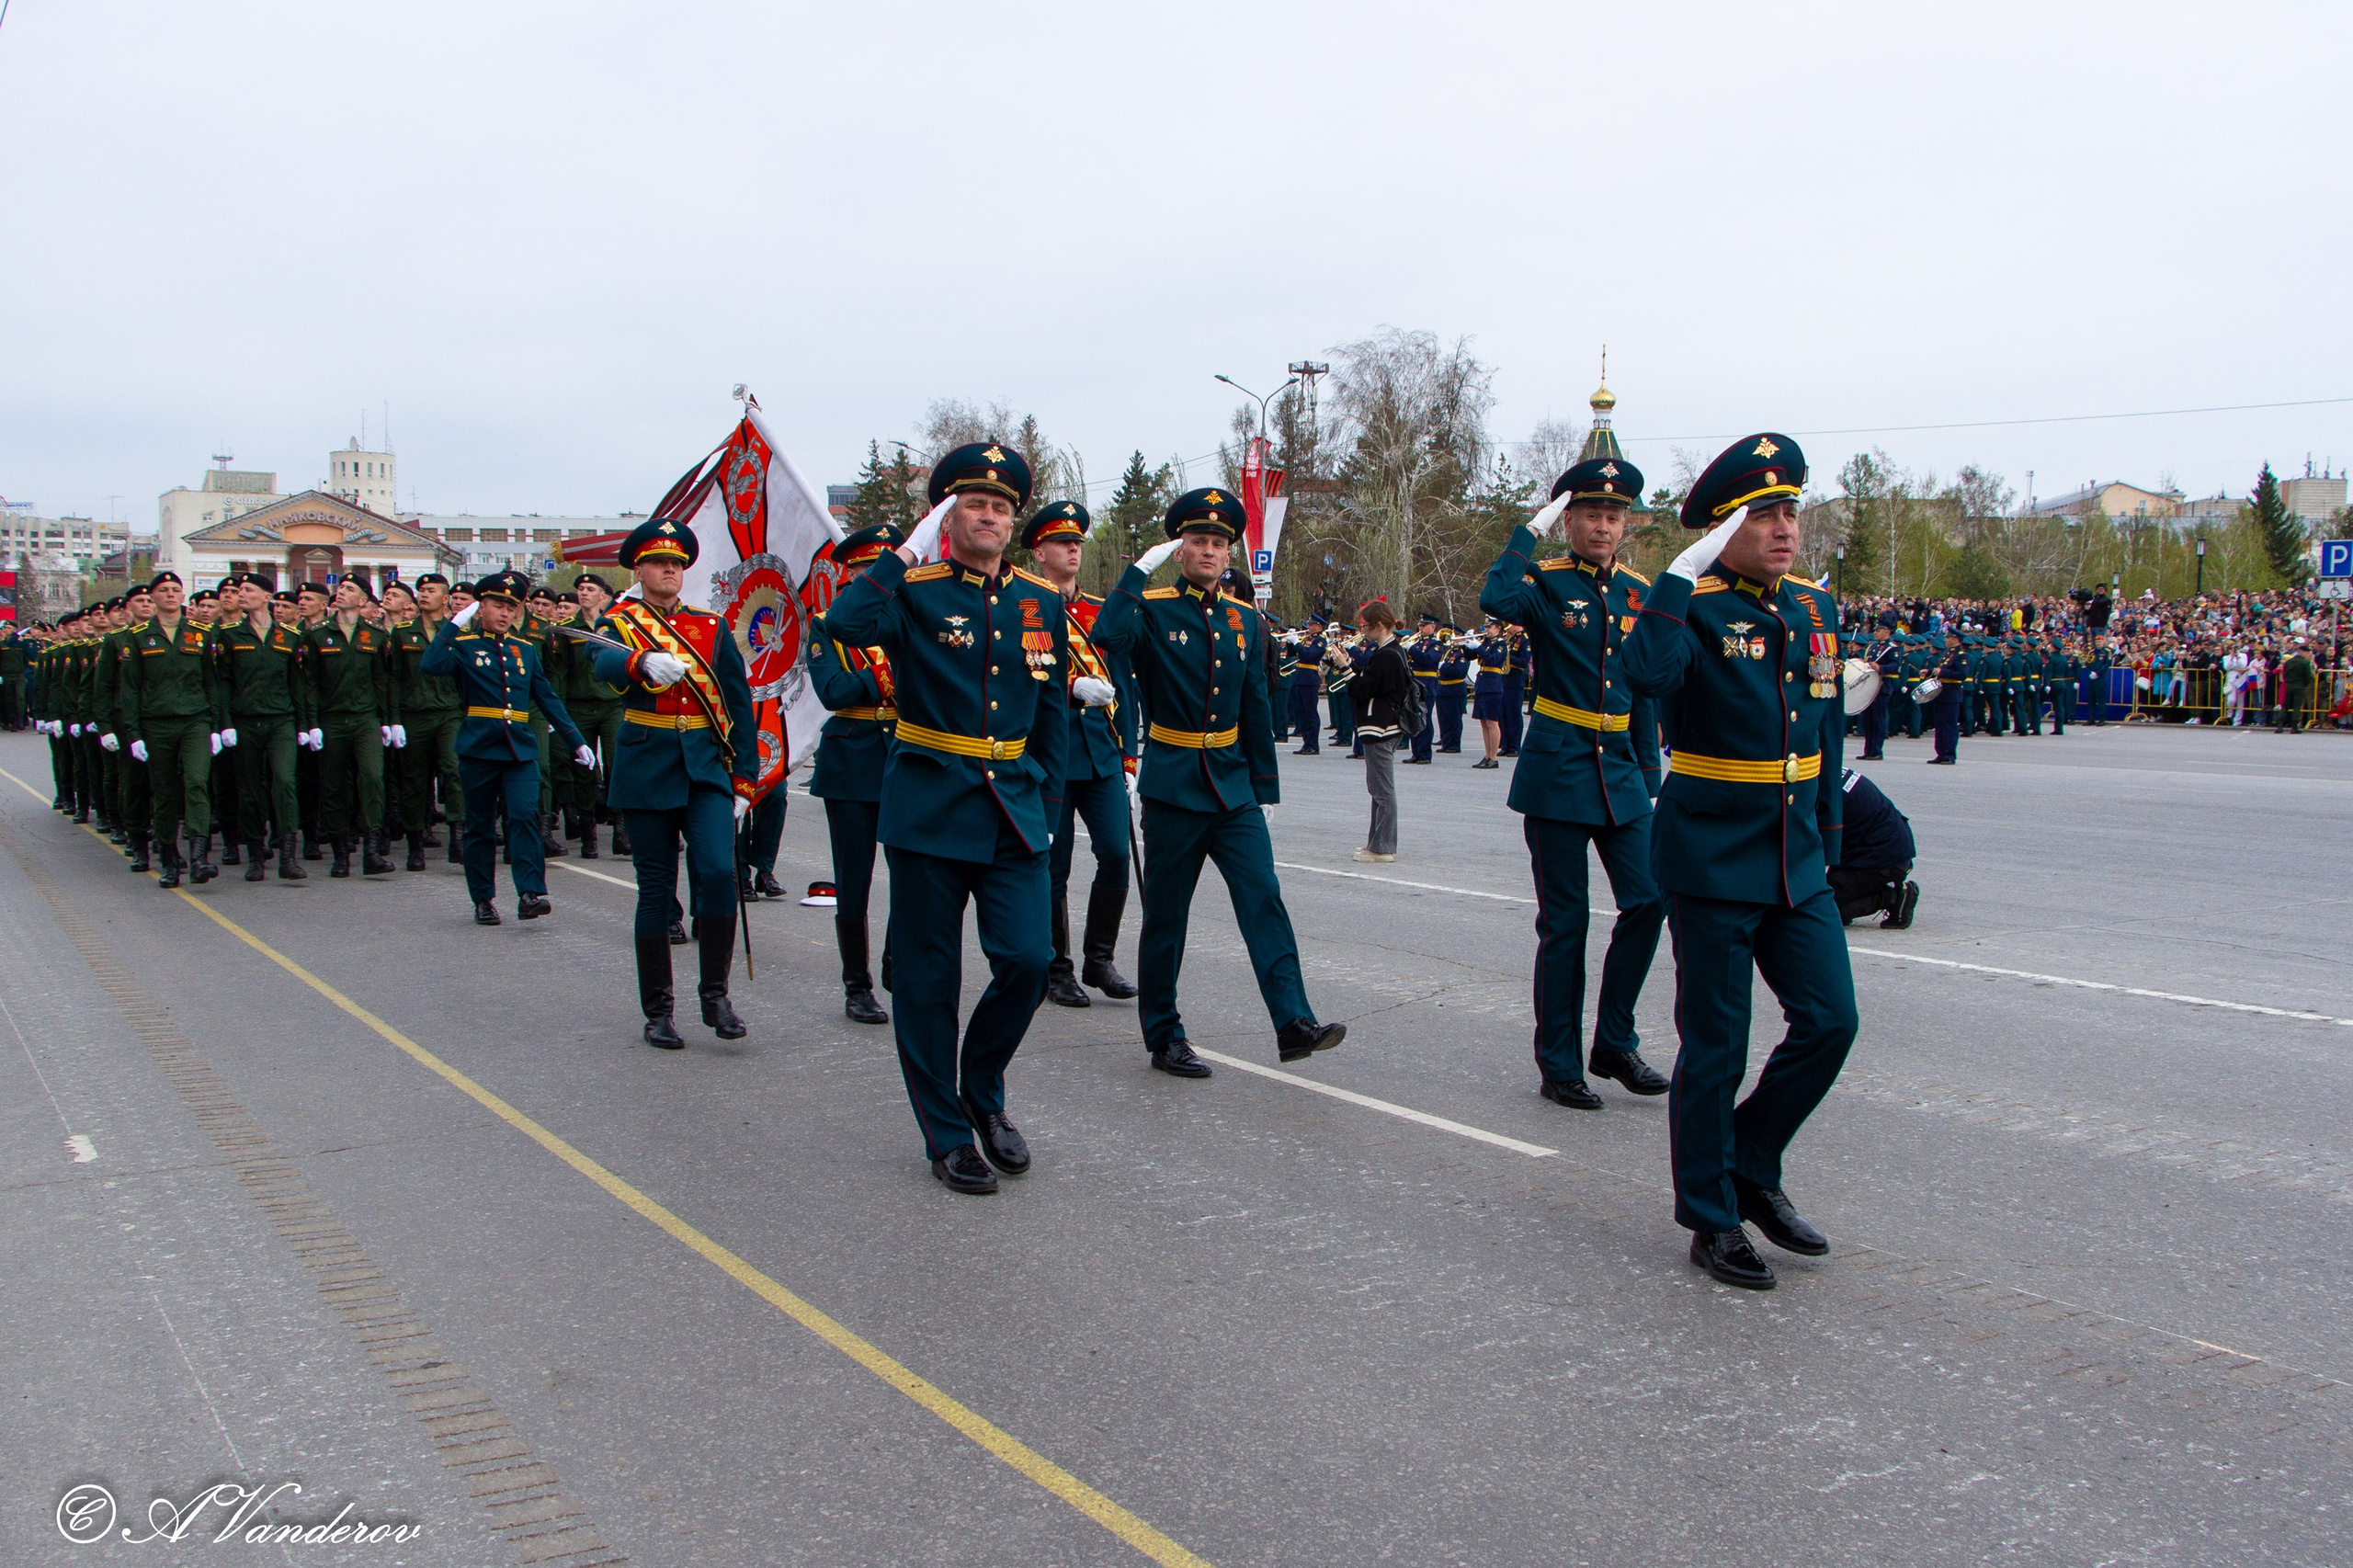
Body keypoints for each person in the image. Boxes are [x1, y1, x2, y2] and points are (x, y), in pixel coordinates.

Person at [1622, 432, 1858, 1292]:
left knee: (1832, 1021)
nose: (1785, 527)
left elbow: (1827, 735)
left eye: (1791, 510)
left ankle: (1751, 1162)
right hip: (1712, 856)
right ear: (1724, 530)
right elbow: (1645, 679)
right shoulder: (1694, 606)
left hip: (1796, 858)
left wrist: (1828, 844)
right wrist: (1678, 579)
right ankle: (1712, 1217)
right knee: (1716, 1047)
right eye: (1764, 514)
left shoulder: (1813, 610)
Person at [818, 443, 1071, 1192]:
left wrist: (1051, 807)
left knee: (1027, 961)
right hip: (930, 804)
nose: (988, 515)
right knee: (929, 983)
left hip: (1014, 808)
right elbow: (843, 619)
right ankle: (946, 1132)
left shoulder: (1040, 599)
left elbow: (1050, 709)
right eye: (972, 504)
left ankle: (982, 1091)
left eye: (1000, 506)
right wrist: (902, 550)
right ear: (947, 516)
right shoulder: (912, 590)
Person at [1092, 487, 1344, 1080]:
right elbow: (1106, 636)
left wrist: (1265, 789)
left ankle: (1293, 1021)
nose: (1209, 551)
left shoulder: (1244, 621)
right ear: (1181, 549)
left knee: (1264, 898)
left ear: (1229, 553)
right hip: (1175, 786)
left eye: (1218, 543)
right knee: (1167, 919)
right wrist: (1135, 570)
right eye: (1198, 541)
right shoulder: (1151, 610)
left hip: (1232, 789)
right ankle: (1165, 1034)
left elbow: (1255, 705)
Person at [1480, 456, 1670, 1110]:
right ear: (1572, 520)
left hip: (1619, 767)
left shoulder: (1640, 592)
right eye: (1590, 513)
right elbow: (1495, 599)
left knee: (1648, 901)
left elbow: (1642, 687)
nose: (1603, 525)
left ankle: (1613, 1040)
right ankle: (1559, 1063)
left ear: (1627, 525)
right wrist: (1528, 530)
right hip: (1560, 766)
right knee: (1566, 924)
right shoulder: (1546, 581)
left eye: (1614, 515)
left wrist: (1649, 774)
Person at [589, 517, 759, 1051]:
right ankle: (658, 1010)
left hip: (706, 768)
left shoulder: (710, 626)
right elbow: (603, 664)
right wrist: (640, 661)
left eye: (678, 563)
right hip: (646, 765)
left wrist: (744, 778)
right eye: (660, 563)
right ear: (638, 569)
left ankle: (716, 995)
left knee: (716, 871)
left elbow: (738, 702)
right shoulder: (620, 622)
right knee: (657, 891)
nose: (670, 570)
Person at [419, 570, 594, 926]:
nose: (504, 613)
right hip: (479, 748)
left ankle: (530, 893)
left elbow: (546, 697)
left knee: (524, 815)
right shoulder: (464, 646)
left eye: (511, 607)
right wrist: (454, 624)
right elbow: (430, 664)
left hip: (519, 748)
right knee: (481, 826)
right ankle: (483, 898)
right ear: (480, 607)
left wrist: (576, 740)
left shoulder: (525, 650)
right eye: (497, 605)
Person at [1022, 500, 1142, 1010]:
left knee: (1116, 853)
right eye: (1062, 542)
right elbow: (1024, 673)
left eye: (1077, 543)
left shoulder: (1098, 611)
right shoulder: (1027, 606)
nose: (1073, 549)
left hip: (1101, 754)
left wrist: (1131, 757)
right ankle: (1057, 967)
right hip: (1051, 753)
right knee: (1055, 865)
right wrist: (1071, 687)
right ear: (1039, 551)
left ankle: (1099, 958)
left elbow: (1125, 689)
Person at [805, 523, 906, 1026]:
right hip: (851, 761)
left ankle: (896, 964)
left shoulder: (910, 614)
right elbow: (835, 691)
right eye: (872, 571)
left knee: (913, 872)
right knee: (855, 878)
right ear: (855, 575)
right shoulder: (826, 623)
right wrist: (889, 676)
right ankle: (857, 985)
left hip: (908, 756)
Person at [119, 573, 222, 889]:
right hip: (156, 724)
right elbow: (130, 689)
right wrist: (133, 733)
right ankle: (168, 859)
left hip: (195, 721)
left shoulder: (200, 634)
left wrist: (216, 727)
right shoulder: (138, 638)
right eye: (163, 590)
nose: (170, 595)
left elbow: (212, 683)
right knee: (164, 794)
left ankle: (199, 857)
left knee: (196, 783)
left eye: (176, 590)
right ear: (152, 598)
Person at [211, 575, 313, 880]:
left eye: (248, 590)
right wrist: (224, 724)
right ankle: (256, 854)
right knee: (250, 789)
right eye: (239, 590)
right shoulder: (229, 635)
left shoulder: (290, 637)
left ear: (266, 596)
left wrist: (304, 724)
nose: (241, 594)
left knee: (284, 782)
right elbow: (222, 682)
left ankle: (289, 855)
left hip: (280, 719)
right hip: (244, 721)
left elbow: (299, 684)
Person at [304, 575, 396, 877]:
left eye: (349, 590)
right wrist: (312, 723)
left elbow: (383, 681)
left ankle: (371, 850)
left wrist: (388, 721)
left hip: (366, 719)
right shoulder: (318, 634)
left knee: (372, 778)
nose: (341, 593)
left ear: (362, 601)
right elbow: (310, 682)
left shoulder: (376, 635)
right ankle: (340, 853)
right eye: (340, 588)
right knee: (333, 786)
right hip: (331, 720)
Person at [565, 573, 627, 859]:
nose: (584, 593)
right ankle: (588, 837)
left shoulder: (615, 626)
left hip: (612, 704)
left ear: (604, 595)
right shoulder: (569, 629)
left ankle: (621, 833)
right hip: (578, 706)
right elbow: (559, 674)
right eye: (580, 589)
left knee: (617, 766)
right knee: (584, 772)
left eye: (590, 589)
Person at [1349, 598, 1412, 863]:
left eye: (1366, 626)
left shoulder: (1387, 654)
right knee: (1377, 788)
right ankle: (1376, 843)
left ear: (1379, 625)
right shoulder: (1389, 651)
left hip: (1381, 726)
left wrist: (1345, 668)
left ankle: (1383, 846)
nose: (1364, 631)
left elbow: (1364, 689)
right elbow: (1370, 680)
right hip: (1383, 725)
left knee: (1383, 790)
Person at [1831, 768, 1917, 928]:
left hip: (1882, 858)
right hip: (1875, 847)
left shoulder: (1819, 790)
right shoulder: (1826, 769)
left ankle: (1893, 897)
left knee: (1815, 910)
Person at [1469, 618, 1509, 767]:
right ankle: (1487, 755)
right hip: (1482, 682)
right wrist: (1468, 645)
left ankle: (1493, 757)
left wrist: (1478, 647)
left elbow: (1492, 660)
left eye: (1489, 627)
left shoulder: (1501, 644)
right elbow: (1469, 657)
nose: (1487, 630)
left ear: (1498, 628)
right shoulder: (1486, 642)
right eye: (1486, 627)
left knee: (1492, 722)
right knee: (1484, 722)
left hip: (1492, 683)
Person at [1404, 612, 1441, 764]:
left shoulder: (1436, 644)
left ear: (1432, 627)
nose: (1421, 627)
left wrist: (1411, 649)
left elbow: (1428, 659)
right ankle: (1416, 752)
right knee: (1413, 717)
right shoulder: (1418, 642)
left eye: (1424, 625)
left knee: (1424, 718)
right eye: (1420, 625)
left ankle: (1425, 753)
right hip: (1414, 683)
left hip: (1427, 684)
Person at [1289, 616, 1326, 754]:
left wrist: (1297, 643)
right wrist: (1290, 642)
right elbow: (1293, 653)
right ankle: (1306, 743)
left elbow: (1308, 656)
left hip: (1310, 679)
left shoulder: (1320, 641)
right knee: (1302, 713)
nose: (1309, 627)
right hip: (1300, 678)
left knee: (1311, 714)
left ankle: (1313, 745)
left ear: (1319, 626)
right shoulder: (1307, 639)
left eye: (1311, 625)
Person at [1927, 630, 1964, 765]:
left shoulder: (1961, 655)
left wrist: (1942, 671)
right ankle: (1941, 752)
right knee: (1940, 725)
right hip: (1941, 693)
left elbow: (1961, 674)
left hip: (1951, 693)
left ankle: (1949, 754)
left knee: (1949, 725)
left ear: (1955, 639)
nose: (1945, 640)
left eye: (1948, 638)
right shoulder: (1947, 654)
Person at [1434, 627, 1470, 753]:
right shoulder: (1448, 651)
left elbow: (1459, 672)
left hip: (1454, 689)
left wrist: (1443, 667)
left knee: (1453, 719)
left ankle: (1454, 745)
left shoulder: (1462, 653)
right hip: (1442, 688)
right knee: (1443, 718)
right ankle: (1446, 742)